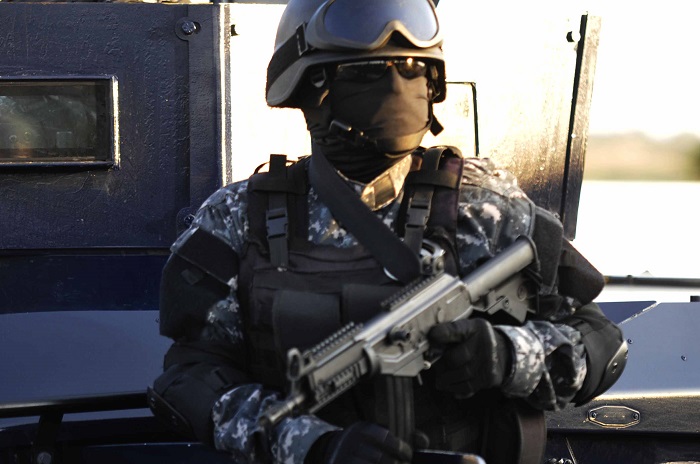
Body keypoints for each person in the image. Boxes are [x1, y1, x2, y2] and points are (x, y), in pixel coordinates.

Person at [149, 0, 627, 463]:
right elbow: (189, 380)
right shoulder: (239, 217)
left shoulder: (486, 207)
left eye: (413, 69)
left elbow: (602, 348)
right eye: (368, 72)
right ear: (310, 90)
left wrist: (506, 356)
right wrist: (307, 445)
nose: (398, 86)